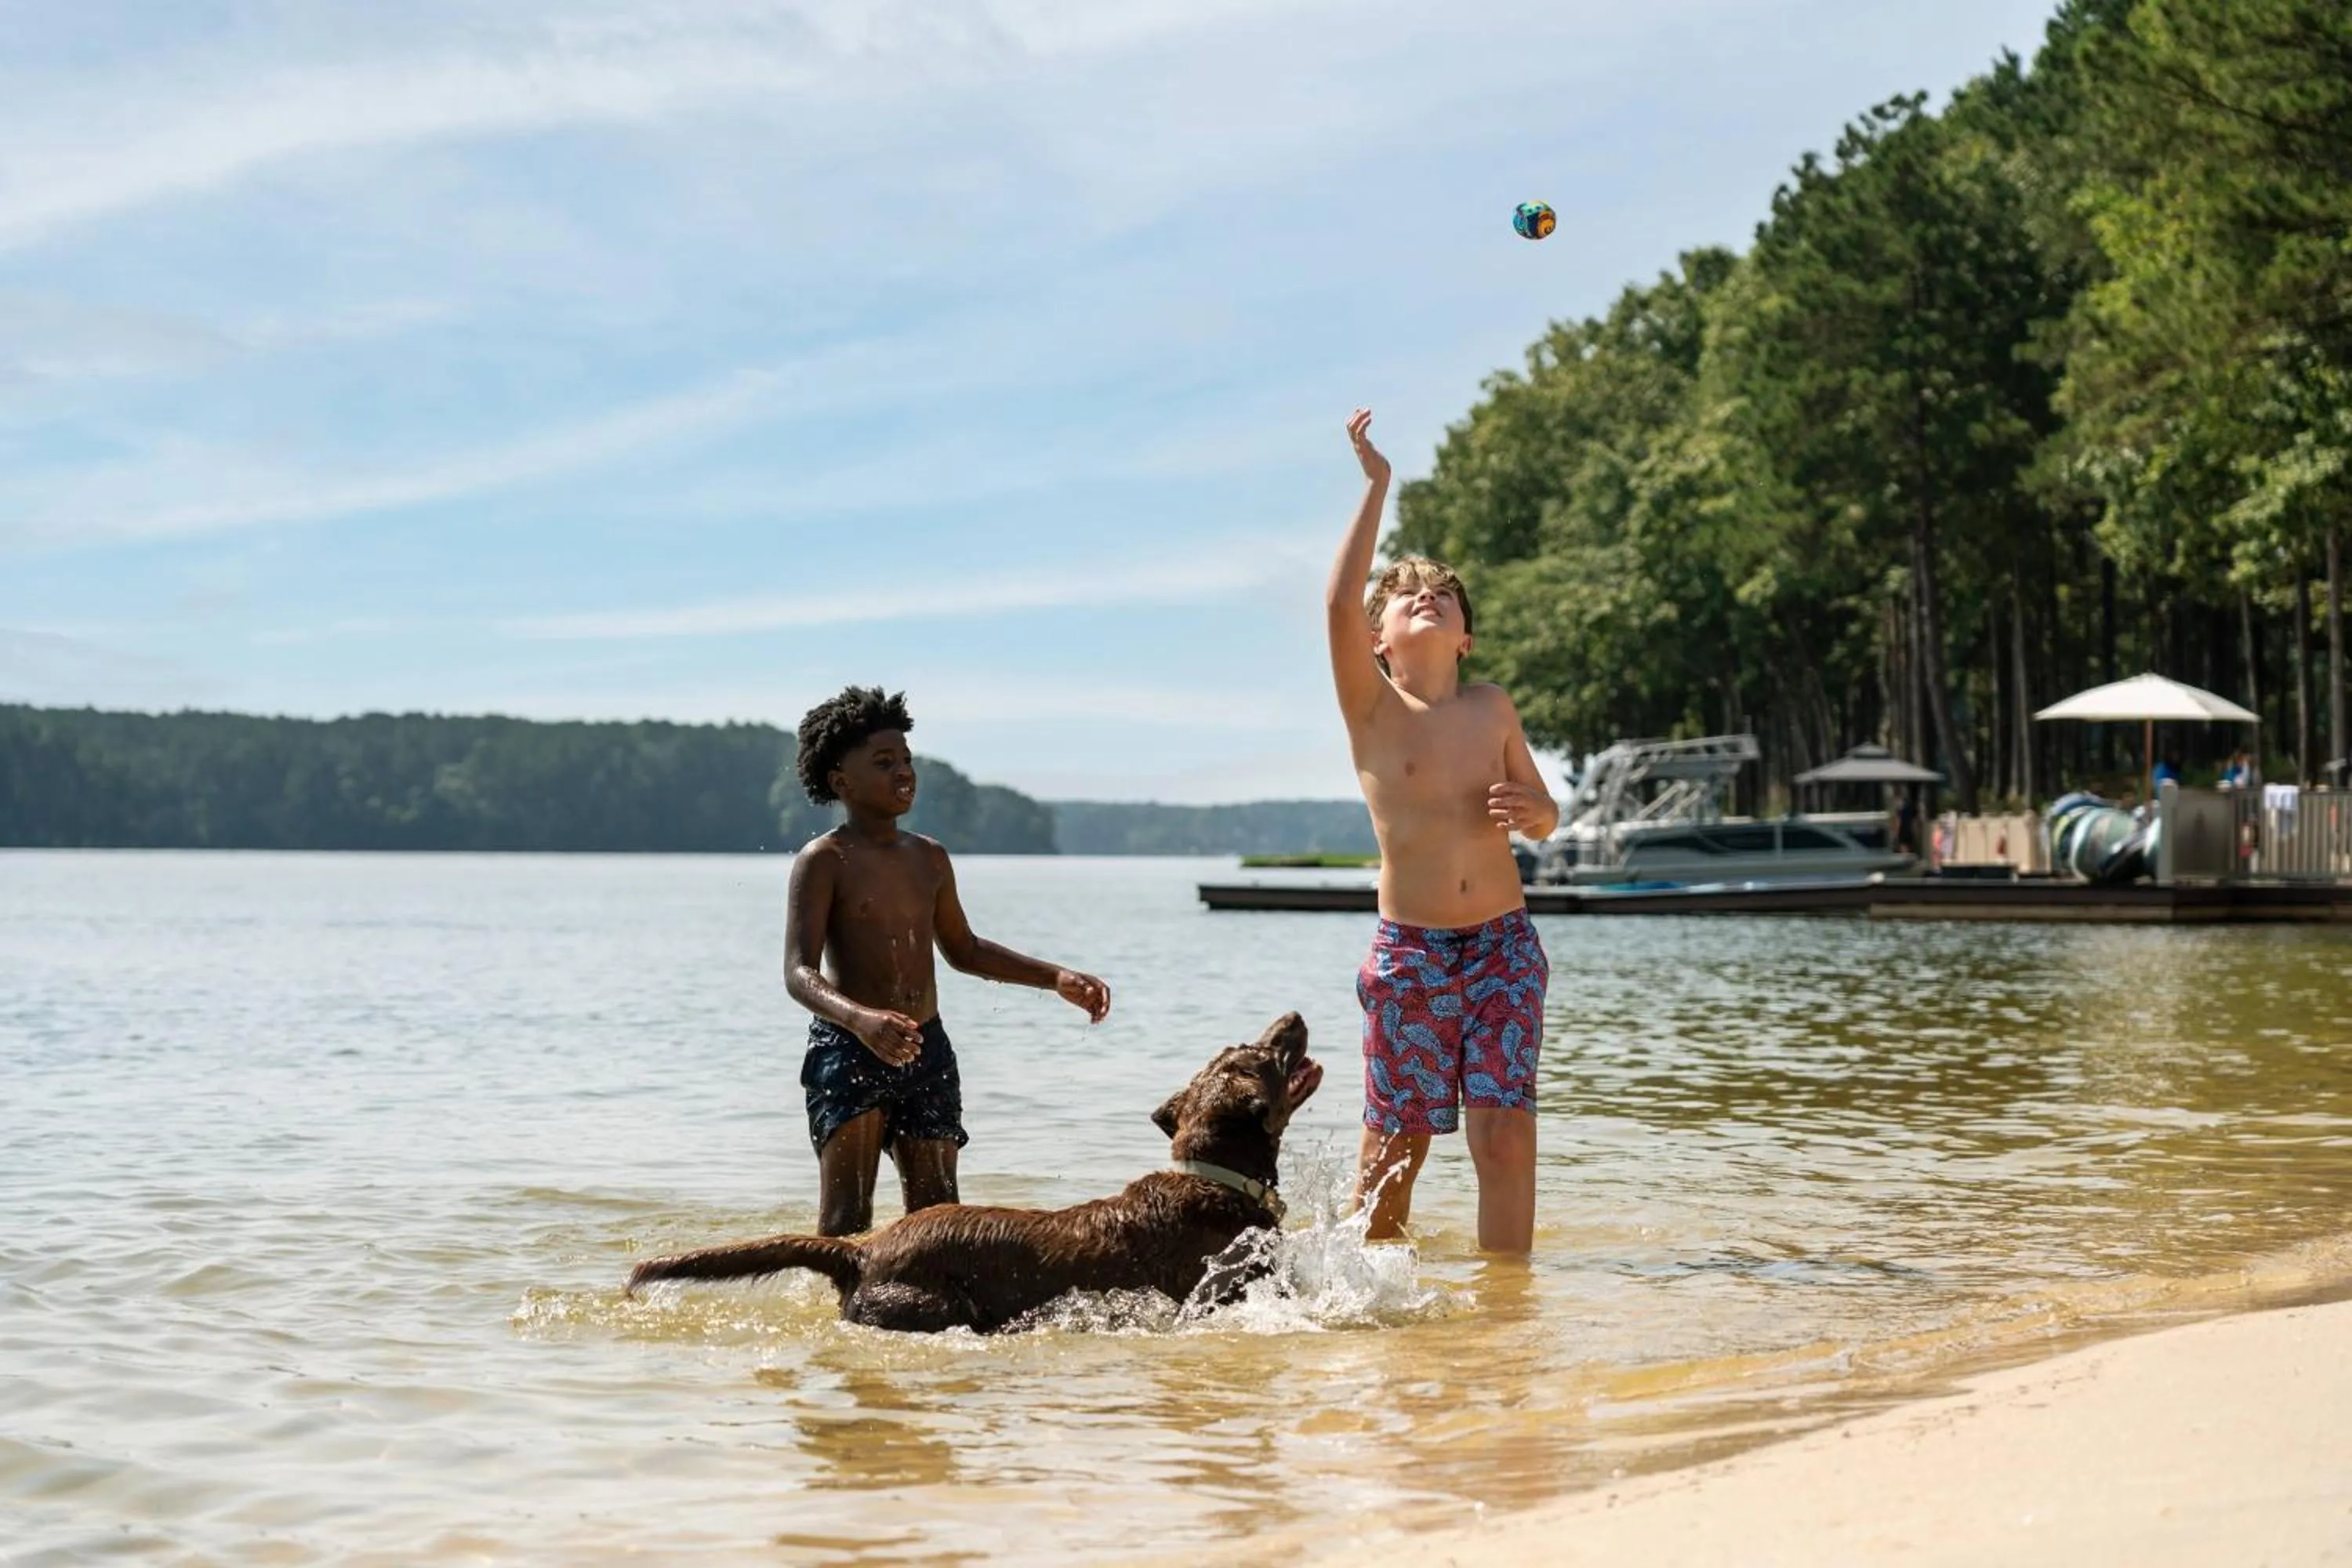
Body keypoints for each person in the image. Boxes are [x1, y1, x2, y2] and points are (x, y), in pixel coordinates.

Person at [1324, 408, 1559, 1254]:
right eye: (1403, 596)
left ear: (1464, 638)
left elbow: (1543, 809)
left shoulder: (1491, 705)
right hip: (1412, 954)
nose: (1425, 595)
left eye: (1444, 595)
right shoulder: (1374, 710)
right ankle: (1373, 1303)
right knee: (1397, 1148)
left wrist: (1539, 813)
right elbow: (1334, 602)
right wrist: (1378, 485)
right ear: (1379, 640)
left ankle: (1507, 1308)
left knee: (1505, 1137)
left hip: (1503, 947)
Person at [785, 685, 1111, 1236]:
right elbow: (799, 972)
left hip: (926, 1050)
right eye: (884, 762)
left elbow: (965, 950)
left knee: (940, 1222)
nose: (903, 772)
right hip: (849, 1049)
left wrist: (1054, 978)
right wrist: (862, 1021)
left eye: (907, 760)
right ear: (841, 780)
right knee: (847, 1222)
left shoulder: (928, 857)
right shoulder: (824, 861)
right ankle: (832, 1322)